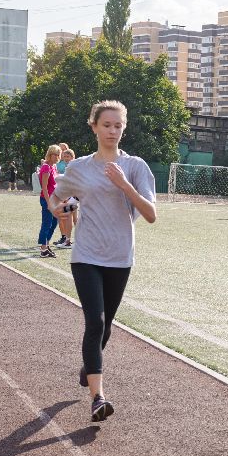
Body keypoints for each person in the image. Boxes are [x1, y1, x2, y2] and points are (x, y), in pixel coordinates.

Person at [46, 101, 157, 423]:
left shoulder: (135, 167)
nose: (112, 131)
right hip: (87, 255)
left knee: (106, 327)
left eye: (118, 125)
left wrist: (124, 184)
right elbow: (58, 196)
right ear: (94, 126)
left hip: (120, 256)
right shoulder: (80, 168)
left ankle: (88, 367)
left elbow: (151, 214)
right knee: (95, 322)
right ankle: (98, 397)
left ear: (124, 128)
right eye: (106, 125)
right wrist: (56, 207)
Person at [37, 145, 60, 258]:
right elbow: (44, 188)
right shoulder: (46, 167)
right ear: (50, 154)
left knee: (54, 222)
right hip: (47, 199)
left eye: (58, 155)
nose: (57, 157)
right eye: (55, 154)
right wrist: (49, 203)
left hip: (55, 199)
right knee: (47, 223)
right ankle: (43, 249)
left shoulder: (53, 167)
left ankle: (46, 244)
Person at [54, 144, 77, 248]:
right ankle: (70, 240)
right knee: (73, 217)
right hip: (72, 195)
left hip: (74, 195)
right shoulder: (69, 166)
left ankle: (68, 241)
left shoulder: (73, 166)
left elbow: (73, 181)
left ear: (72, 157)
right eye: (65, 157)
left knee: (69, 216)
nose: (66, 158)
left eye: (68, 156)